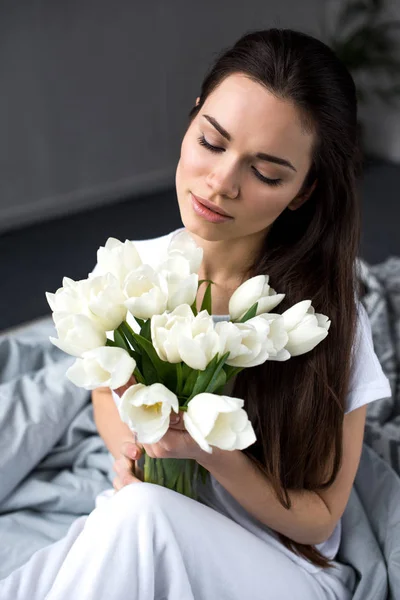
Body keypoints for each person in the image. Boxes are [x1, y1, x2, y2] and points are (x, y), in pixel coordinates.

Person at [0, 27, 391, 600]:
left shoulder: (322, 318)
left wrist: (213, 455)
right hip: (143, 525)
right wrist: (129, 451)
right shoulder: (134, 271)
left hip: (276, 565)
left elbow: (321, 519)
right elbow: (107, 392)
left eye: (265, 173)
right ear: (191, 121)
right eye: (212, 142)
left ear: (303, 191)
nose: (221, 182)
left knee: (140, 521)